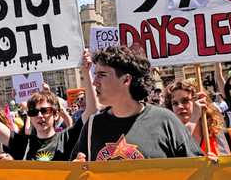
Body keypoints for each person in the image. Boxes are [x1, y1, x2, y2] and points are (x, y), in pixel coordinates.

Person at [72, 45, 203, 161]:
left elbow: (196, 169)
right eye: (95, 75)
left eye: (102, 75)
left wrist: (210, 164)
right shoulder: (92, 126)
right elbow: (76, 171)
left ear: (126, 79)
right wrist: (76, 169)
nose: (95, 82)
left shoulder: (165, 121)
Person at [0, 49, 98, 162]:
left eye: (45, 111)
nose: (39, 116)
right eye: (34, 112)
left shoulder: (67, 138)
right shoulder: (23, 144)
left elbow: (92, 110)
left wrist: (86, 72)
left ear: (55, 113)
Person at [164, 80, 231, 156]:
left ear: (200, 102)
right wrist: (194, 118)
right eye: (175, 103)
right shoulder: (170, 140)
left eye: (185, 101)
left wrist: (220, 166)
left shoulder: (229, 137)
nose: (180, 106)